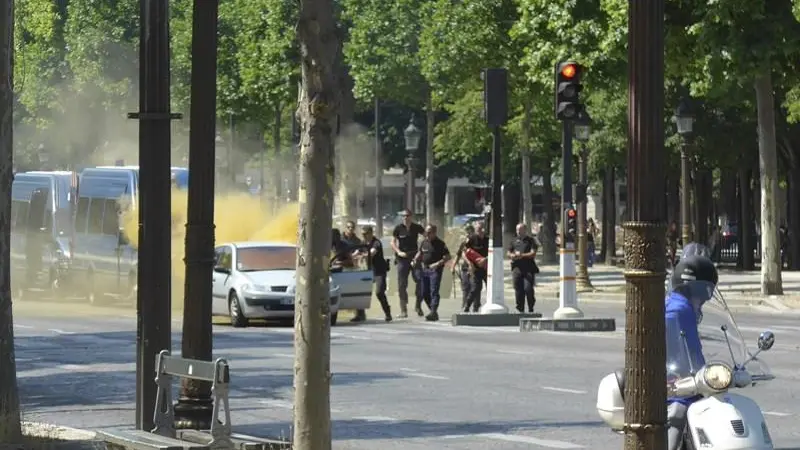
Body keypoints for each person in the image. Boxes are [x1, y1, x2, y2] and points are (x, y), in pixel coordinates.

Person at [665, 254, 719, 450]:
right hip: (674, 383)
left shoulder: (678, 304)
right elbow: (686, 351)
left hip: (677, 378)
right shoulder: (680, 310)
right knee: (678, 413)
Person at [391, 209, 425, 318]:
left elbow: (426, 238)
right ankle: (403, 310)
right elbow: (393, 242)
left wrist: (420, 251)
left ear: (411, 216)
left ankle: (418, 306)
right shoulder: (398, 228)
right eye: (404, 216)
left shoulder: (417, 227)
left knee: (420, 280)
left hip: (414, 257)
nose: (406, 218)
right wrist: (398, 252)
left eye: (408, 216)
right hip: (402, 258)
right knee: (402, 284)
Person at [414, 224, 450, 322]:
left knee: (434, 291)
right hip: (425, 269)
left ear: (434, 233)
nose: (427, 234)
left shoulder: (440, 244)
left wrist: (438, 263)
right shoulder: (424, 242)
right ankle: (433, 311)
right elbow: (420, 252)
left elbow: (447, 257)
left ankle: (433, 312)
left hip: (435, 270)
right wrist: (416, 258)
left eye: (429, 233)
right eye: (426, 232)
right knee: (424, 292)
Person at [357, 225, 392, 322]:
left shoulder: (376, 243)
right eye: (362, 234)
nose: (364, 236)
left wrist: (362, 256)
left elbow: (371, 253)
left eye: (365, 234)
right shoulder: (363, 243)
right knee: (360, 292)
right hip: (368, 272)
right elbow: (356, 252)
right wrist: (353, 255)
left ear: (371, 233)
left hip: (379, 271)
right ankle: (360, 314)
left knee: (379, 292)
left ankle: (387, 313)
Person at [507, 223, 538, 313]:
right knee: (518, 289)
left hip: (528, 268)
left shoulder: (531, 240)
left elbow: (533, 253)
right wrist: (512, 255)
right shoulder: (513, 240)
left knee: (528, 288)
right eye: (517, 230)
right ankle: (520, 309)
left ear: (525, 230)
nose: (518, 232)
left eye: (520, 229)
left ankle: (531, 307)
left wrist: (522, 255)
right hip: (517, 268)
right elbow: (508, 252)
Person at [464, 221, 489, 312]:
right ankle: (467, 305)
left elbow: (494, 252)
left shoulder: (488, 239)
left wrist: (485, 259)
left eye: (482, 228)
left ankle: (486, 305)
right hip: (475, 268)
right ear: (476, 230)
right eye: (479, 229)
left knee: (490, 288)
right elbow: (464, 252)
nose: (481, 230)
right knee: (476, 288)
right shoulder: (471, 239)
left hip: (486, 268)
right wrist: (470, 264)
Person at [452, 224, 475, 312]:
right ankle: (464, 306)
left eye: (470, 231)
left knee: (474, 288)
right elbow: (458, 255)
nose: (468, 234)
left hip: (474, 268)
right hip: (465, 268)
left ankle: (475, 306)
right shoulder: (464, 243)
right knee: (465, 288)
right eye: (467, 232)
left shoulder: (476, 242)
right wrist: (453, 266)